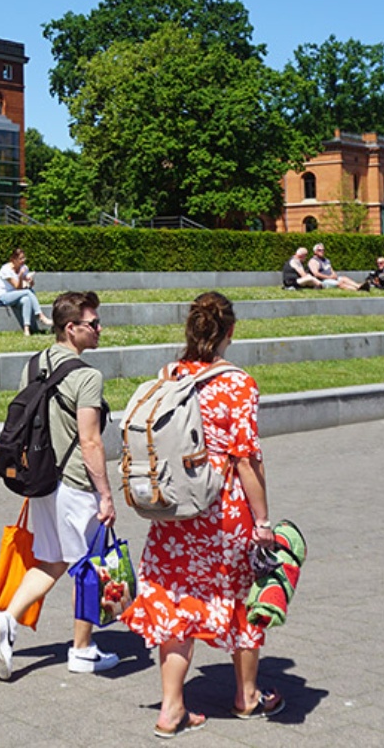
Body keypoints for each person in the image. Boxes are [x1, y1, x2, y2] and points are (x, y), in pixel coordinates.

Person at [121, 291, 285, 733]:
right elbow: (247, 459)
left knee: (175, 598)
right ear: (230, 331)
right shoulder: (238, 383)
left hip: (175, 509)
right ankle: (247, 696)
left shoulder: (170, 373)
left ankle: (171, 707)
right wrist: (264, 520)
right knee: (243, 598)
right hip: (222, 512)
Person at [0, 291, 121, 680]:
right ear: (71, 328)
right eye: (93, 323)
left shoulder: (33, 364)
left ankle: (7, 621)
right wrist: (106, 494)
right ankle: (82, 650)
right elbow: (91, 440)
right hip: (77, 482)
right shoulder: (87, 376)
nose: (99, 329)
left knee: (53, 560)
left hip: (41, 480)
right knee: (89, 567)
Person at [0, 247, 54, 335]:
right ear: (13, 259)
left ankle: (27, 329)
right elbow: (17, 287)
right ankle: (41, 316)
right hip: (4, 296)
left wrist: (30, 281)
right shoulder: (5, 270)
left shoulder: (24, 268)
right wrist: (21, 276)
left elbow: (28, 285)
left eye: (24, 258)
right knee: (28, 292)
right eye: (20, 258)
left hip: (17, 295)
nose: (23, 260)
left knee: (26, 299)